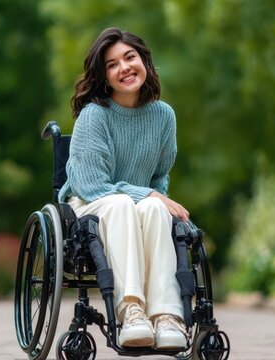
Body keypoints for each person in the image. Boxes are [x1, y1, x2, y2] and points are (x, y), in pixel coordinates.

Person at [58, 27, 189, 350]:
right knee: (122, 204)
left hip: (137, 207)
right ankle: (131, 311)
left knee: (155, 206)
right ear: (104, 77)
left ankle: (165, 316)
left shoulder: (163, 116)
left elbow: (158, 181)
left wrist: (155, 199)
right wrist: (145, 193)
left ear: (144, 60)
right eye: (112, 64)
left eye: (130, 57)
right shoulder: (94, 116)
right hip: (90, 205)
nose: (124, 68)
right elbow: (91, 185)